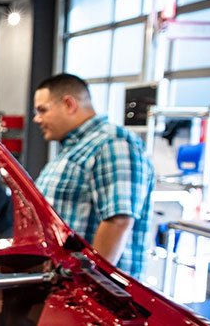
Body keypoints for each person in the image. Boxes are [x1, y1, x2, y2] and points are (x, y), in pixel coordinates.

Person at [33, 73, 153, 277]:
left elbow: (118, 221)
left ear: (69, 104)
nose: (37, 119)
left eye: (42, 110)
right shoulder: (78, 147)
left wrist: (90, 281)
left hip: (92, 289)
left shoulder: (112, 144)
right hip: (62, 280)